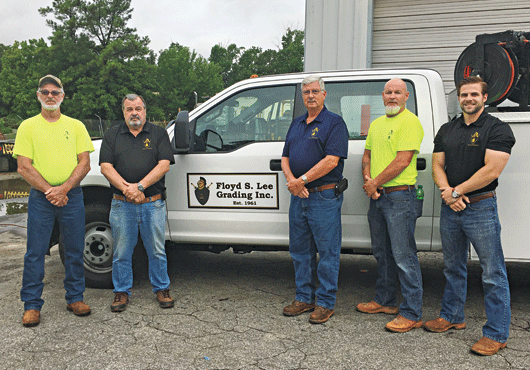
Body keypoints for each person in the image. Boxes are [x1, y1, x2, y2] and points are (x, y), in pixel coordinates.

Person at [426, 76, 515, 356]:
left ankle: (496, 333)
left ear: (484, 98)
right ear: (459, 98)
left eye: (474, 94)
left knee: (492, 272)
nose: (469, 99)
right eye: (464, 95)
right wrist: (446, 191)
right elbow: (437, 165)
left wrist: (457, 191)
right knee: (453, 267)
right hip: (451, 208)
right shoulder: (447, 129)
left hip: (481, 207)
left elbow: (492, 170)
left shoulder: (497, 129)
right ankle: (452, 317)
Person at [13, 74, 94, 327]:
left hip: (72, 197)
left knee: (74, 249)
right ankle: (32, 305)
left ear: (62, 96)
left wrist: (65, 189)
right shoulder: (28, 127)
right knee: (35, 253)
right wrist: (51, 191)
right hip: (41, 198)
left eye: (55, 92)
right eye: (45, 92)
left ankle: (75, 297)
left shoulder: (77, 126)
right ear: (38, 95)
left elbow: (85, 162)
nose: (50, 96)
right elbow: (23, 167)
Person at [356, 78, 424, 333]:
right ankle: (385, 301)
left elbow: (403, 161)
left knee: (404, 256)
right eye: (388, 92)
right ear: (382, 96)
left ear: (407, 96)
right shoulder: (376, 124)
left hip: (399, 197)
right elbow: (367, 156)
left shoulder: (410, 122)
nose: (392, 96)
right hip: (378, 196)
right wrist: (368, 180)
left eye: (398, 92)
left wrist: (374, 183)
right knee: (382, 252)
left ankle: (411, 312)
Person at [281, 75, 349, 324]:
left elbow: (332, 160)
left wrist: (303, 180)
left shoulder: (334, 123)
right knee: (300, 251)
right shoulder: (297, 123)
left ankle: (325, 303)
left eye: (315, 91)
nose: (310, 95)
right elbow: (285, 157)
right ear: (302, 96)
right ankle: (303, 298)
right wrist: (292, 182)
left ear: (324, 94)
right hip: (299, 196)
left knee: (327, 252)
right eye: (306, 92)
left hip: (323, 195)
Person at [99, 94, 175, 312]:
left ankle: (162, 288)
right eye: (129, 109)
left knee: (157, 250)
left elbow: (163, 165)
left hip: (153, 204)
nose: (134, 113)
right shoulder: (112, 135)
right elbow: (106, 167)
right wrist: (128, 190)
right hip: (123, 204)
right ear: (123, 112)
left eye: (138, 108)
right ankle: (121, 291)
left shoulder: (159, 133)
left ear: (145, 111)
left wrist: (139, 187)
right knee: (122, 251)